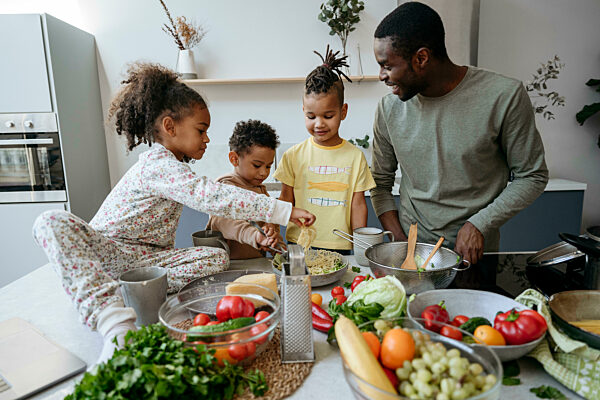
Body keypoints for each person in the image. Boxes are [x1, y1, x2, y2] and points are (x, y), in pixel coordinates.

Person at [31, 63, 315, 365]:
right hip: (109, 250)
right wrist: (284, 210)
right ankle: (116, 325)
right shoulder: (156, 164)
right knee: (49, 221)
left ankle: (121, 288)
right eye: (201, 130)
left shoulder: (176, 166)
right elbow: (211, 196)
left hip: (145, 263)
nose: (206, 139)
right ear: (170, 126)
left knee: (216, 257)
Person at [370, 2, 549, 267]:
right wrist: (398, 242)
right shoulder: (388, 109)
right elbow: (380, 183)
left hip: (475, 258)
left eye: (387, 66)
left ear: (421, 58)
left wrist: (479, 224)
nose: (381, 76)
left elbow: (532, 175)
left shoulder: (504, 96)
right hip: (412, 256)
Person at [274, 46, 376, 254]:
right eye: (311, 117)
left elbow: (358, 205)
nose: (319, 124)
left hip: (341, 245)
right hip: (299, 243)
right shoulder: (293, 156)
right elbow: (286, 199)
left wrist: (360, 247)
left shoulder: (355, 157)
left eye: (328, 116)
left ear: (343, 111)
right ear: (303, 111)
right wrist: (274, 229)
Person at [206, 119, 284, 259]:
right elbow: (226, 222)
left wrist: (275, 242)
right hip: (228, 265)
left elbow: (272, 226)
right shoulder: (224, 187)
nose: (264, 173)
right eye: (257, 165)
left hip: (255, 263)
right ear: (234, 159)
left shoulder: (261, 191)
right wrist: (255, 236)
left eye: (268, 166)